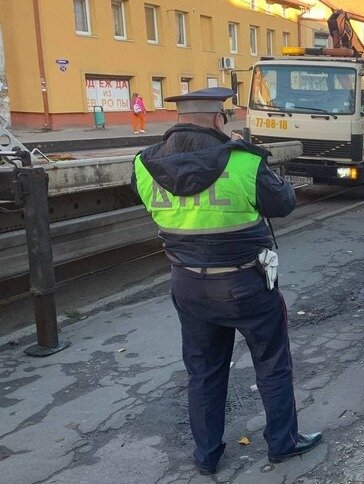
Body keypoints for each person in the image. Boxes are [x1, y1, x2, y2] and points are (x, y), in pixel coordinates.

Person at [130, 87, 321, 475]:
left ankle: (206, 456)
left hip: (187, 284)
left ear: (179, 120)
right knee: (271, 363)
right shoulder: (242, 162)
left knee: (203, 371)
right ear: (218, 119)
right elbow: (283, 204)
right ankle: (282, 443)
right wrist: (248, 152)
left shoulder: (144, 164)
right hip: (246, 284)